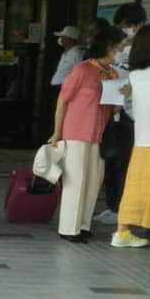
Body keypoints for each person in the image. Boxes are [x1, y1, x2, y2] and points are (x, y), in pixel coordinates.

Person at [47, 26, 127, 242]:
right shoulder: (82, 70)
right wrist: (57, 132)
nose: (122, 51)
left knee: (93, 181)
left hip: (98, 135)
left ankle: (83, 225)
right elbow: (62, 100)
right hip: (76, 133)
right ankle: (68, 228)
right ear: (109, 46)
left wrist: (122, 96)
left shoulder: (113, 73)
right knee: (76, 181)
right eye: (120, 47)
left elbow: (114, 109)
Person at [109, 24, 150, 252]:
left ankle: (122, 232)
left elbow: (131, 110)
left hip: (142, 140)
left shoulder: (136, 75)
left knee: (136, 187)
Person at [96, 3, 149, 225]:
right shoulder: (117, 48)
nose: (124, 29)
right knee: (110, 157)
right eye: (121, 25)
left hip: (136, 113)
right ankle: (112, 205)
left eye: (128, 26)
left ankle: (124, 207)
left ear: (139, 25)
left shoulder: (147, 49)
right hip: (113, 108)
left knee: (126, 161)